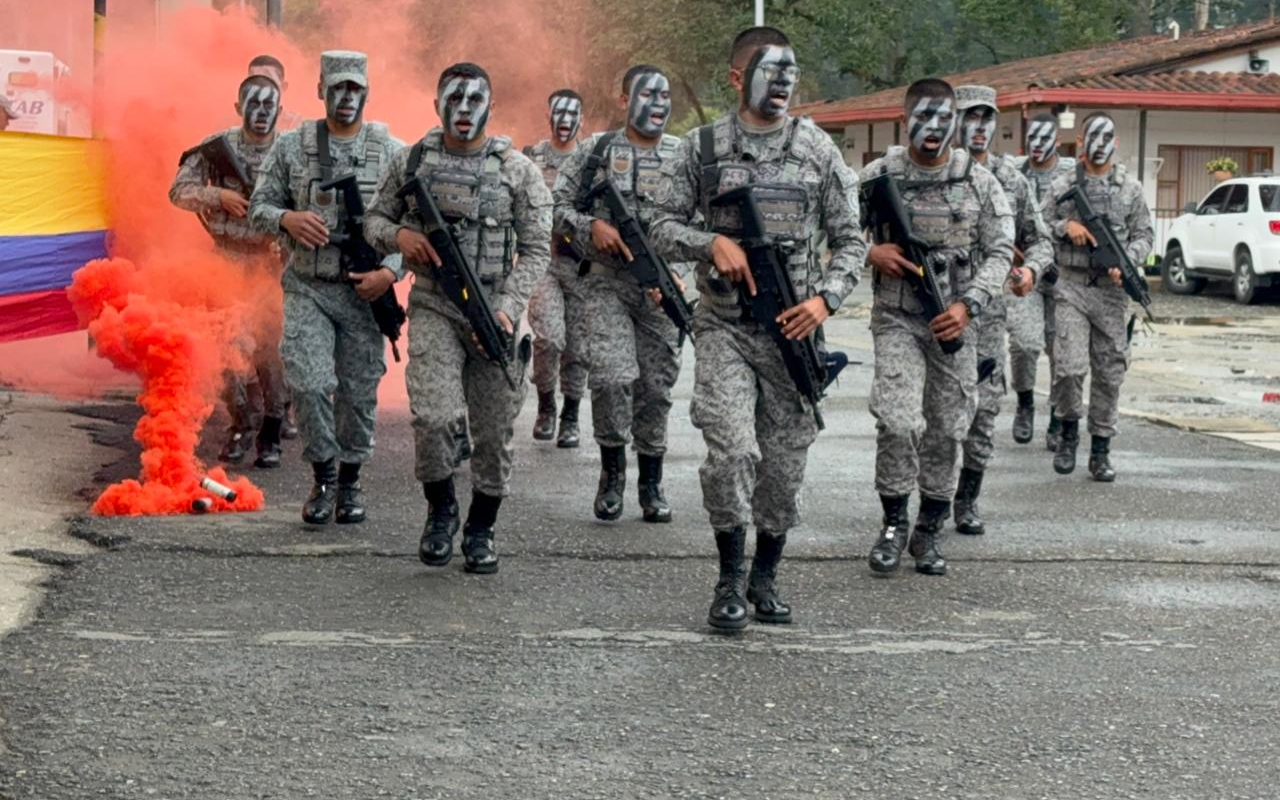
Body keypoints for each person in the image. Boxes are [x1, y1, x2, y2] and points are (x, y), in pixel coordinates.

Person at [650, 27, 865, 630]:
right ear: (738, 78)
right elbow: (658, 226)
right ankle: (730, 578)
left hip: (795, 334)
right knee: (731, 453)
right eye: (772, 71)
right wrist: (709, 242)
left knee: (783, 467)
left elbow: (851, 241)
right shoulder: (702, 149)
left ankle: (765, 576)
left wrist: (825, 301)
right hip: (724, 327)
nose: (784, 83)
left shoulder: (817, 149)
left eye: (791, 73)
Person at [365, 62, 551, 574]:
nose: (464, 110)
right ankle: (441, 510)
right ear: (436, 105)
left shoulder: (518, 170)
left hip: (495, 315)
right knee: (435, 418)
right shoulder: (412, 162)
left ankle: (481, 527)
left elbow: (537, 249)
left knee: (493, 432)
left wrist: (508, 306)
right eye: (454, 99)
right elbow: (374, 219)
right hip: (434, 306)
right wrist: (399, 237)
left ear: (491, 106)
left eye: (475, 100)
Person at [861, 78, 1013, 577]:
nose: (934, 127)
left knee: (949, 428)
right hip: (898, 318)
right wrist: (871, 252)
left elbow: (1000, 251)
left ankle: (928, 528)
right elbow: (832, 233)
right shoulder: (877, 176)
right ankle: (893, 524)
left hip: (954, 324)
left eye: (944, 118)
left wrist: (970, 304)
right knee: (898, 422)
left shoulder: (978, 181)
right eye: (923, 117)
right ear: (904, 120)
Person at [249, 50, 405, 524]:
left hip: (364, 295)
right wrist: (287, 219)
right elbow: (258, 208)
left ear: (367, 93)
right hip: (308, 287)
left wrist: (389, 273)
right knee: (309, 383)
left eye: (355, 88)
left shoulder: (393, 151)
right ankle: (323, 478)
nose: (346, 97)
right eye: (337, 88)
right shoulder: (292, 147)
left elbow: (413, 227)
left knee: (358, 392)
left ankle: (351, 481)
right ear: (321, 90)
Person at [552, 65, 686, 524]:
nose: (658, 104)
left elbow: (704, 224)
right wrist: (591, 226)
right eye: (647, 95)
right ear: (624, 100)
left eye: (664, 96)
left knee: (656, 388)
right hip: (605, 283)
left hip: (662, 293)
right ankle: (612, 474)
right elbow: (555, 206)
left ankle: (651, 481)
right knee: (611, 379)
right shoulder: (596, 151)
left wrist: (683, 273)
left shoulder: (684, 155)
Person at [170, 73, 290, 469]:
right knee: (227, 348)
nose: (261, 112)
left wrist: (285, 236)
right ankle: (242, 423)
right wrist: (218, 196)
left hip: (271, 263)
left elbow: (309, 205)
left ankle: (272, 429)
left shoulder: (290, 152)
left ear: (280, 109)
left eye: (268, 105)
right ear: (238, 108)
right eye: (253, 104)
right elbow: (178, 192)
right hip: (226, 260)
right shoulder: (215, 148)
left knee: (271, 352)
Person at [951, 85, 1052, 536]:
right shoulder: (934, 171)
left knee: (984, 408)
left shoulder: (1012, 180)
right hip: (938, 309)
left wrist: (1031, 269)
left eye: (987, 118)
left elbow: (1040, 240)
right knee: (935, 412)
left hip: (989, 314)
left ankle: (966, 498)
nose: (980, 127)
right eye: (970, 117)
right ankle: (926, 498)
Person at [1041, 112, 1153, 482]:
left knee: (1109, 372)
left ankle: (1101, 448)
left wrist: (1128, 261)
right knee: (1069, 367)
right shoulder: (1061, 185)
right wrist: (1066, 226)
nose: (1101, 145)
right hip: (1071, 285)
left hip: (1111, 293)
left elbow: (1144, 235)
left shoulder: (1130, 188)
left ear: (1116, 143)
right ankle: (1068, 431)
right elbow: (1036, 226)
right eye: (1094, 136)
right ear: (1081, 141)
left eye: (1108, 138)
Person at [525, 90, 589, 448]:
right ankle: (547, 405)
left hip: (582, 266)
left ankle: (571, 416)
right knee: (549, 337)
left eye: (572, 114)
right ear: (548, 117)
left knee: (577, 346)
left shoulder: (591, 160)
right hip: (543, 262)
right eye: (558, 114)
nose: (565, 122)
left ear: (582, 119)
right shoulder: (532, 159)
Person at [1013, 113, 1075, 451]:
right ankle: (1025, 402)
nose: (1037, 145)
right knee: (1024, 343)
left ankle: (1056, 416)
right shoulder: (1014, 173)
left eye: (1044, 138)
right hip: (1025, 272)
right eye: (1032, 138)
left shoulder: (1072, 175)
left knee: (1060, 350)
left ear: (1057, 140)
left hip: (1063, 274)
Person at [247, 54, 305, 132]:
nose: (259, 85)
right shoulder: (237, 121)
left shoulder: (296, 124)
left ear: (283, 87)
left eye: (267, 79)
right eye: (253, 79)